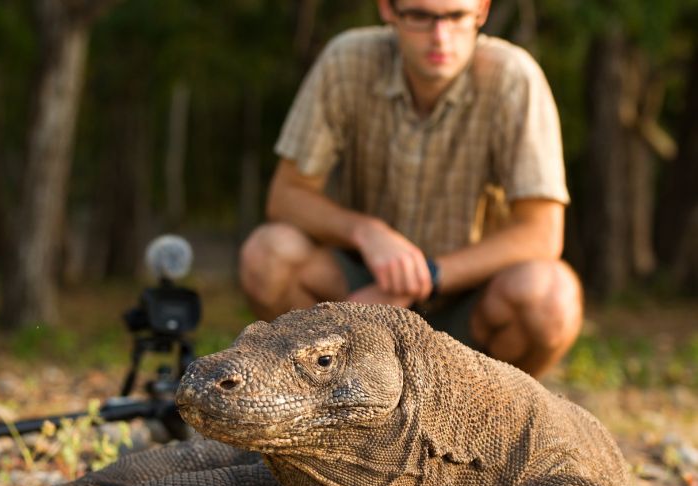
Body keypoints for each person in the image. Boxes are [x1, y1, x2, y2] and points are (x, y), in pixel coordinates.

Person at [239, 0, 582, 378]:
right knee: (267, 256)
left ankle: (498, 412)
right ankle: (325, 402)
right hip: (365, 290)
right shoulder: (346, 61)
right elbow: (287, 196)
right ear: (388, 9)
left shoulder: (514, 77)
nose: (440, 36)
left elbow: (542, 233)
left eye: (455, 16)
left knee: (551, 297)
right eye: (420, 16)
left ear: (481, 11)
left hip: (473, 301)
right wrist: (368, 233)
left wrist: (427, 278)